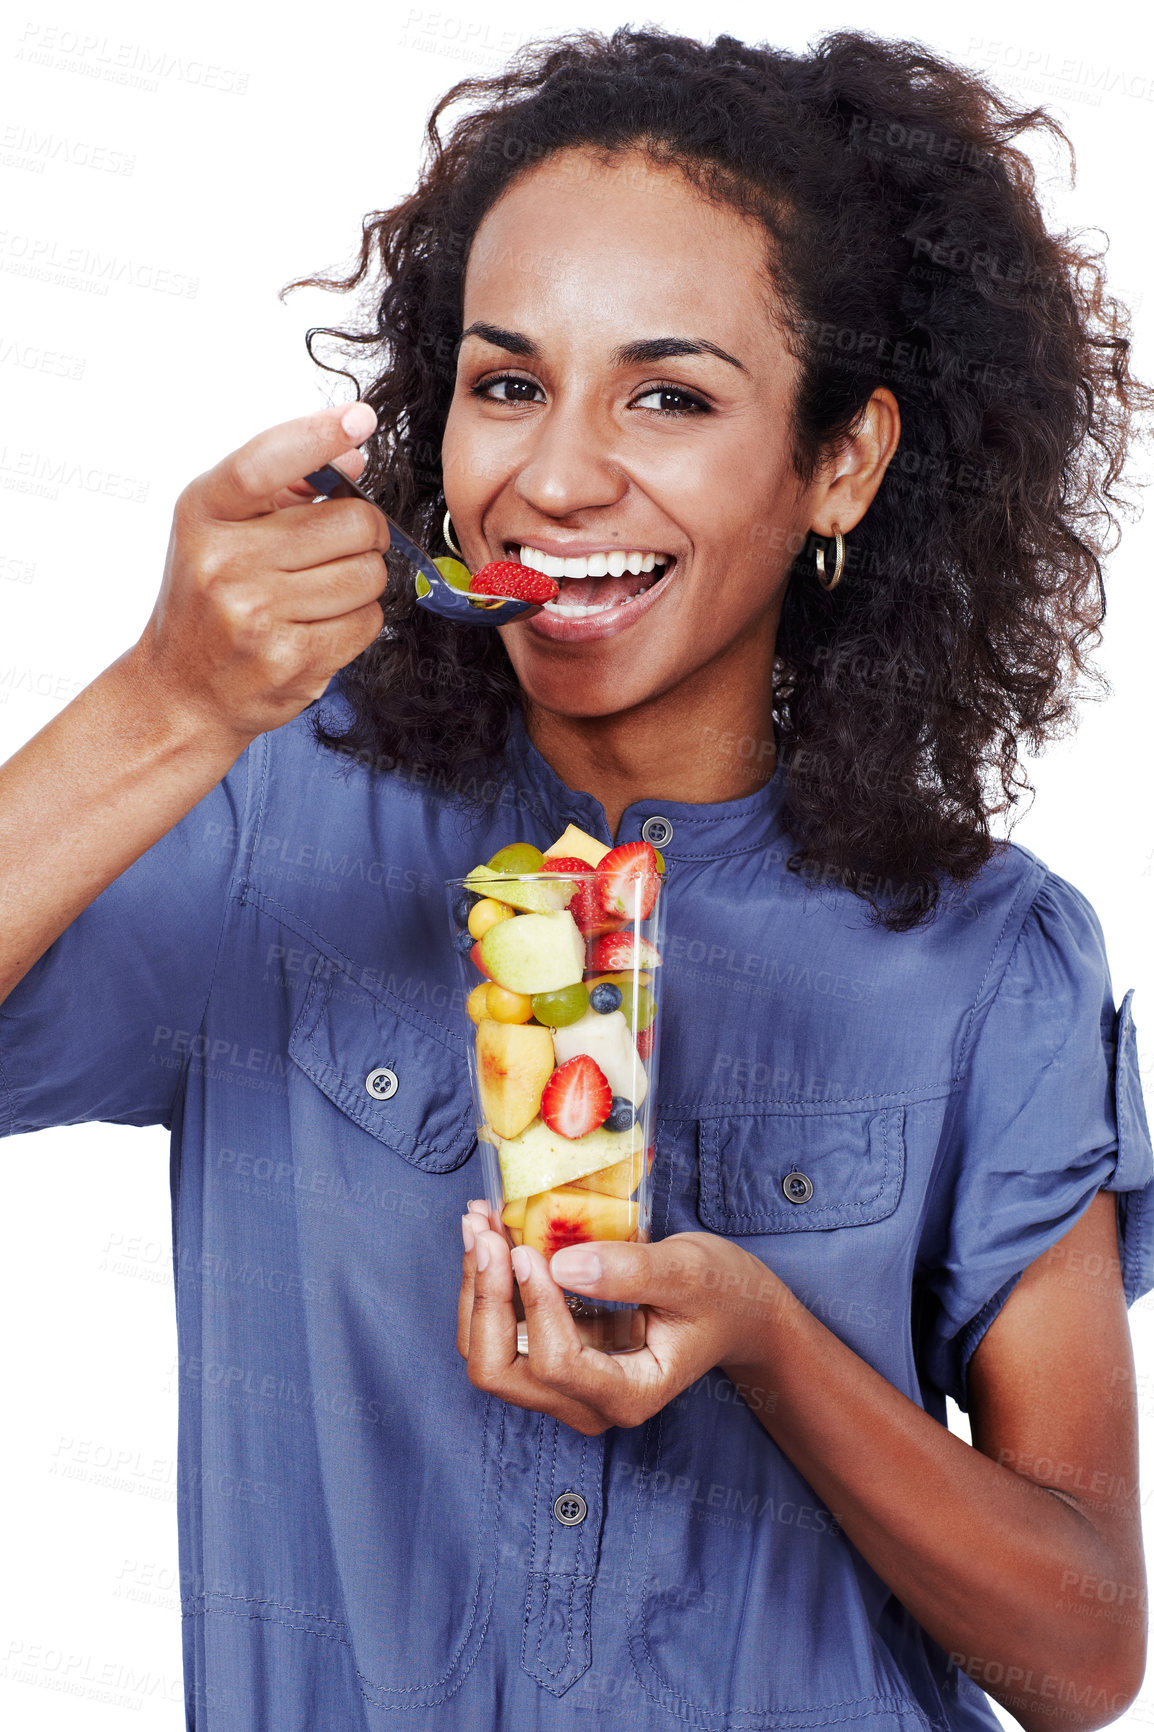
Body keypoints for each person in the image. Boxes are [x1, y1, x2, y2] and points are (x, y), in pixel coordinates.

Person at [1, 25, 1150, 1732]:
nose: (550, 480)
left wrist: (768, 1339)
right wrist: (164, 699)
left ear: (838, 461)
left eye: (669, 396)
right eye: (506, 381)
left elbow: (1081, 1656)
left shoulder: (985, 961)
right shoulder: (270, 829)